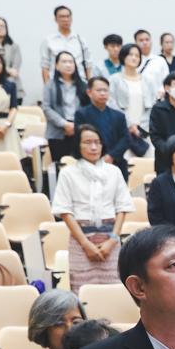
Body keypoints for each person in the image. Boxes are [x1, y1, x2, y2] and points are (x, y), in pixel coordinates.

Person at [52, 125, 133, 291]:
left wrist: (113, 240)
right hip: (81, 239)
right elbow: (65, 211)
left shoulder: (114, 172)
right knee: (82, 290)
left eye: (97, 142)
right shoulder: (68, 173)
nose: (94, 147)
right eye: (87, 142)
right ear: (78, 145)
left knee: (113, 290)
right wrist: (85, 244)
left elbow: (122, 208)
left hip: (110, 240)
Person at [74, 76, 132, 178]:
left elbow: (126, 138)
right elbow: (79, 139)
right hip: (89, 163)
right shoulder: (81, 114)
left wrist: (112, 156)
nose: (102, 93)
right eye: (98, 90)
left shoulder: (119, 115)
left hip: (115, 162)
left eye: (105, 90)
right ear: (89, 92)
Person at [42, 51, 88, 168]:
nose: (68, 65)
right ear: (56, 65)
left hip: (79, 131)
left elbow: (87, 108)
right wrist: (64, 124)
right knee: (61, 167)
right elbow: (46, 107)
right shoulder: (50, 85)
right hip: (57, 133)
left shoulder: (84, 86)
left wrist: (75, 126)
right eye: (64, 62)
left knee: (80, 166)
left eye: (71, 62)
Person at [109, 43, 156, 144]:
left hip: (143, 128)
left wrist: (141, 126)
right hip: (121, 125)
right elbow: (112, 104)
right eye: (130, 55)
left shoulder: (148, 80)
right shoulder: (114, 79)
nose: (134, 58)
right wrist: (129, 124)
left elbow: (152, 105)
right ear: (123, 57)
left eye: (137, 56)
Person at [38, 5, 92, 84]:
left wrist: (89, 84)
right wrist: (47, 86)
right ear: (56, 19)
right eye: (62, 17)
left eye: (68, 16)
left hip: (80, 82)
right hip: (56, 82)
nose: (65, 19)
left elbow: (88, 63)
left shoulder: (80, 39)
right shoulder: (48, 40)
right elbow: (45, 65)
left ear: (71, 19)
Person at [143, 33, 175, 98]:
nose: (170, 45)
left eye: (172, 42)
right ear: (161, 44)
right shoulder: (157, 60)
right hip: (161, 94)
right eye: (167, 42)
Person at [0, 17, 22, 82]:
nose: (0, 28)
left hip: (10, 79)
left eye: (2, 26)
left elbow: (15, 69)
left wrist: (11, 73)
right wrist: (8, 70)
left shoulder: (14, 46)